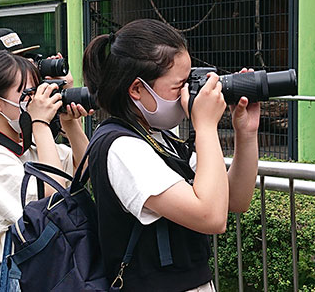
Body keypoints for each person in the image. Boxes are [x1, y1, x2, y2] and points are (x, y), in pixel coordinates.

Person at [82, 19, 260, 291]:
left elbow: (234, 200)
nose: (189, 93)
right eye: (180, 86)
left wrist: (245, 134)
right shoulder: (120, 148)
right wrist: (205, 126)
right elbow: (211, 217)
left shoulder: (161, 137)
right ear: (137, 89)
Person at [0, 50, 91, 291]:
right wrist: (39, 123)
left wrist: (70, 123)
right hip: (12, 275)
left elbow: (85, 170)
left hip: (50, 269)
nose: (34, 102)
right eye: (27, 95)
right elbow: (52, 201)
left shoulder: (31, 147)